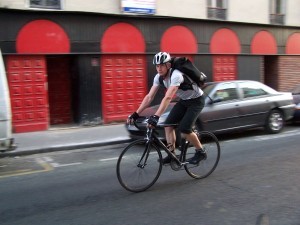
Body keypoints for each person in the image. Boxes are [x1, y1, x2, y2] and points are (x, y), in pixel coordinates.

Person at [127, 52, 206, 165]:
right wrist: (136, 113)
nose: (159, 68)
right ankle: (171, 154)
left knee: (185, 129)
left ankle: (200, 151)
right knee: (168, 125)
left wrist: (156, 116)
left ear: (168, 65)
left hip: (196, 101)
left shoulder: (176, 75)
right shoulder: (158, 78)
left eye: (161, 65)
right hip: (184, 101)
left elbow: (168, 97)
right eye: (157, 66)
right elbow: (149, 97)